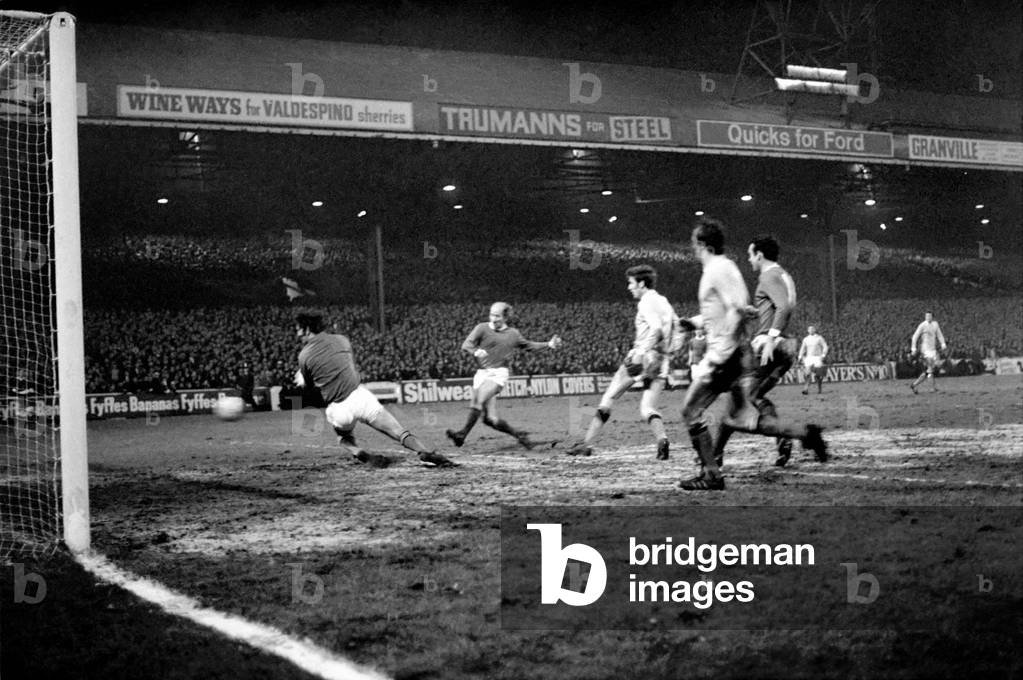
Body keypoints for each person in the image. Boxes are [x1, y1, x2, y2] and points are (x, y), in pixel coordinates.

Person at [677, 218, 827, 491]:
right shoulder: (729, 268)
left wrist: (726, 350)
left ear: (703, 244)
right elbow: (732, 310)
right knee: (741, 418)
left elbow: (738, 310)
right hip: (740, 356)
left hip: (727, 357)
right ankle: (804, 433)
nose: (692, 248)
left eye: (694, 243)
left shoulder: (718, 271)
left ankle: (712, 472)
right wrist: (694, 323)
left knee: (690, 411)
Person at [294, 309, 455, 468]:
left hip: (339, 408)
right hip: (361, 397)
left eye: (299, 329)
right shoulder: (342, 340)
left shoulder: (304, 356)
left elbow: (309, 387)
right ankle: (423, 451)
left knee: (343, 437)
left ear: (307, 329)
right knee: (399, 432)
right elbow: (347, 365)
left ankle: (359, 453)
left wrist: (303, 379)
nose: (298, 334)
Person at [567, 264, 679, 459]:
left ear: (642, 284)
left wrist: (642, 351)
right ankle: (662, 439)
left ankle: (587, 444)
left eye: (631, 283)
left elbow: (656, 328)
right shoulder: (664, 302)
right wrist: (668, 353)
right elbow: (678, 330)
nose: (629, 287)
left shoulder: (645, 302)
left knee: (608, 398)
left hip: (642, 358)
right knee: (647, 408)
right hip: (661, 360)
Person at [709, 235, 798, 468]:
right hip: (786, 349)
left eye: (750, 254)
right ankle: (782, 438)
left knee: (735, 403)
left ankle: (713, 459)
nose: (749, 259)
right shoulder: (783, 274)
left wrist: (771, 337)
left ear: (759, 254)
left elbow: (783, 306)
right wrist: (756, 313)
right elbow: (781, 305)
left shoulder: (767, 276)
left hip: (767, 348)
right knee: (755, 397)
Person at [446, 302, 562, 450]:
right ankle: (520, 436)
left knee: (478, 400)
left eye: (497, 315)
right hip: (481, 373)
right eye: (491, 314)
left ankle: (462, 434)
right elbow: (466, 344)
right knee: (490, 419)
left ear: (505, 317)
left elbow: (528, 346)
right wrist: (475, 351)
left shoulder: (513, 334)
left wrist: (549, 344)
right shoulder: (482, 328)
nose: (493, 318)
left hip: (498, 374)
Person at [910, 311, 947, 393]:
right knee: (930, 369)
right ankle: (933, 388)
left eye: (929, 316)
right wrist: (913, 348)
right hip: (925, 351)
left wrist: (943, 343)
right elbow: (915, 336)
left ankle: (914, 385)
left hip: (933, 350)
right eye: (926, 316)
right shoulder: (922, 325)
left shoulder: (935, 324)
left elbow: (939, 334)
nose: (928, 317)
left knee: (928, 371)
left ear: (932, 317)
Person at [798, 326, 829, 394]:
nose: (811, 330)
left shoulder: (819, 338)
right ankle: (806, 389)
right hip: (809, 358)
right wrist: (800, 356)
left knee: (818, 376)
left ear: (815, 330)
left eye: (812, 329)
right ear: (808, 331)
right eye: (809, 329)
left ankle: (819, 389)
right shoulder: (806, 339)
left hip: (817, 358)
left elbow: (825, 346)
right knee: (807, 373)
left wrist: (823, 355)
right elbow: (803, 348)